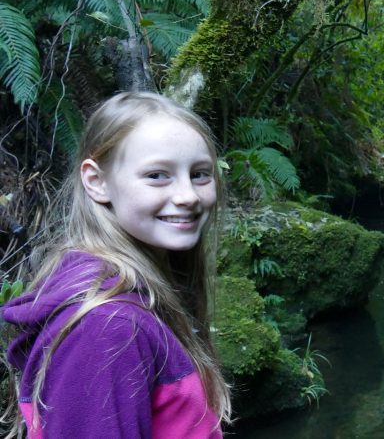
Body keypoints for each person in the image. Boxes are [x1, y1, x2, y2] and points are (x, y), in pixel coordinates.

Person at [2, 92, 231, 438]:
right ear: (97, 181)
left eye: (200, 174)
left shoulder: (137, 297)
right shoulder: (108, 327)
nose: (189, 195)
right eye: (157, 175)